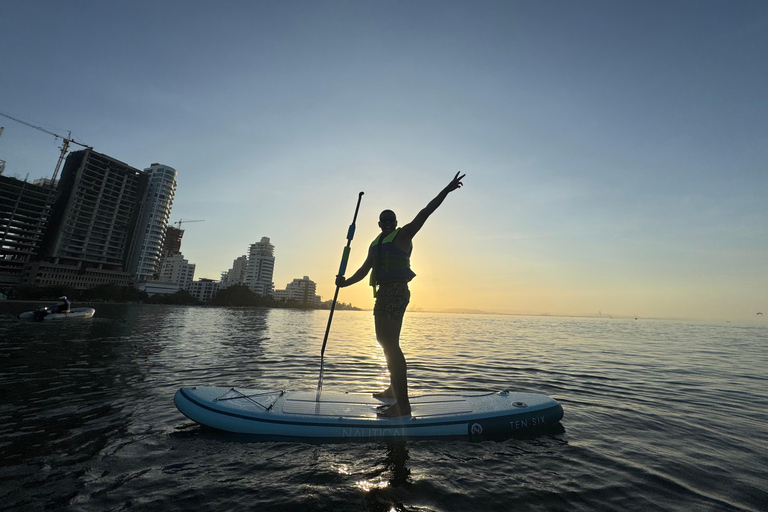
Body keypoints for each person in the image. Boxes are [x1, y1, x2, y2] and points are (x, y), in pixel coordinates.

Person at [336, 172, 465, 417]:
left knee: (392, 345)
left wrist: (446, 190)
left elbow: (426, 212)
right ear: (379, 224)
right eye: (383, 221)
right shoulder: (374, 245)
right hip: (382, 293)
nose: (387, 224)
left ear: (395, 223)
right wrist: (344, 283)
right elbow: (364, 271)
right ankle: (393, 389)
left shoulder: (404, 234)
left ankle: (403, 406)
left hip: (397, 291)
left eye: (390, 220)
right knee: (382, 342)